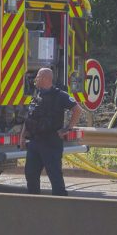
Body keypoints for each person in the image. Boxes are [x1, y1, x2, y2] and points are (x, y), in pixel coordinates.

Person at [20, 68, 82, 196]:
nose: (35, 79)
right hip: (35, 141)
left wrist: (67, 128)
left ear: (44, 78)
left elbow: (77, 110)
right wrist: (22, 136)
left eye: (37, 77)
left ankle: (59, 205)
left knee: (54, 175)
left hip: (51, 142)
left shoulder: (60, 95)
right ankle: (34, 203)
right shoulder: (37, 95)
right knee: (30, 174)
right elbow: (29, 117)